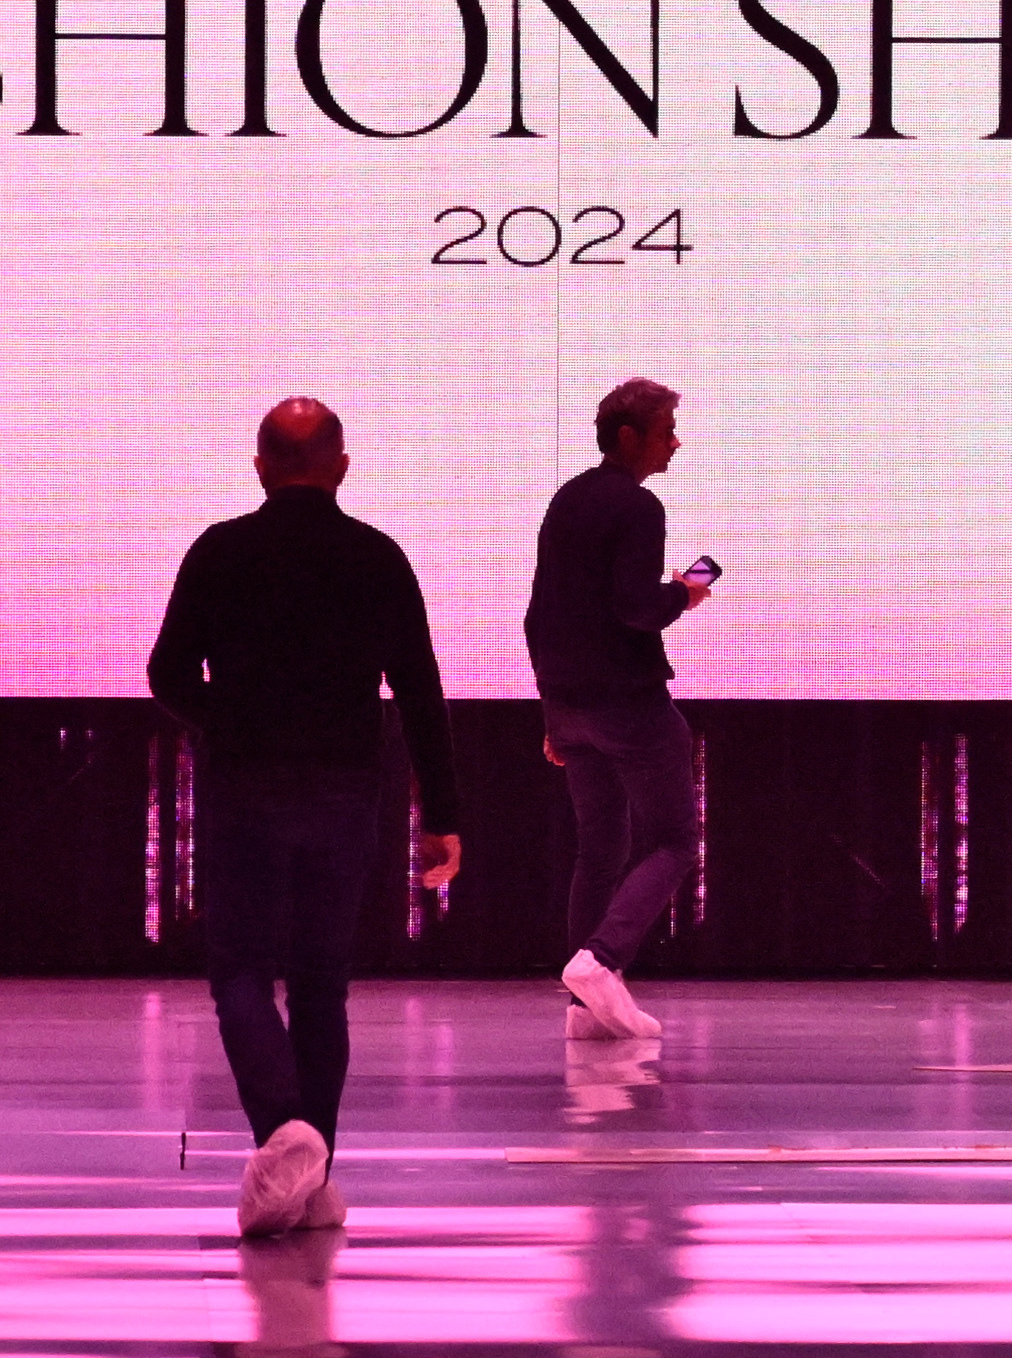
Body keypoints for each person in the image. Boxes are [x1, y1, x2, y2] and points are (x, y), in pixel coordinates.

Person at [151, 397, 464, 1237]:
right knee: (323, 984)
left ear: (258, 467)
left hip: (247, 781)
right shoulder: (376, 557)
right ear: (341, 467)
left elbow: (167, 672)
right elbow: (423, 692)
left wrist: (231, 719)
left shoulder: (220, 551)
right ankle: (314, 1166)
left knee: (242, 973)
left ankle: (283, 1136)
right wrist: (441, 811)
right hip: (344, 785)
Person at [524, 375, 712, 1043]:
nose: (675, 443)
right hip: (626, 703)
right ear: (629, 436)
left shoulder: (567, 498)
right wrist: (682, 597)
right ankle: (600, 962)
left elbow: (537, 615)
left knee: (599, 846)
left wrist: (552, 712)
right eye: (666, 431)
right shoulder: (638, 507)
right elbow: (635, 608)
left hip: (570, 706)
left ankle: (584, 1010)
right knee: (673, 839)